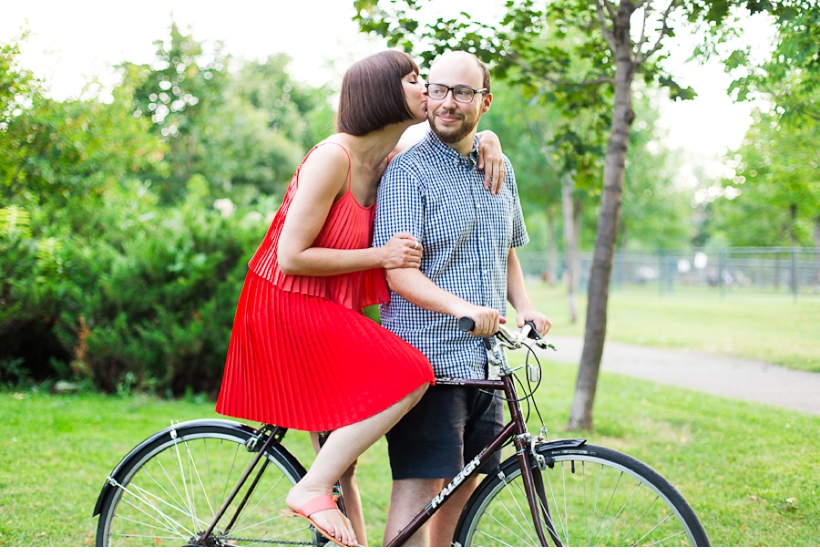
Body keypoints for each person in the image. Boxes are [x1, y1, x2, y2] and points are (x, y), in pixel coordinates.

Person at [215, 50, 507, 547]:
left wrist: (491, 140)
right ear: (383, 93)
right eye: (417, 81)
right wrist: (381, 255)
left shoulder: (389, 159)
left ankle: (342, 519)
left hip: (329, 309)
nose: (430, 91)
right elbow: (291, 258)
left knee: (344, 464)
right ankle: (310, 485)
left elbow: (456, 132)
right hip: (288, 307)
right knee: (411, 375)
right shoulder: (334, 157)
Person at [373, 51, 553, 547]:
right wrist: (463, 309)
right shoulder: (409, 173)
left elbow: (505, 248)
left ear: (485, 102)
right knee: (420, 490)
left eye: (463, 93)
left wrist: (526, 307)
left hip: (486, 360)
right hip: (428, 358)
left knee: (465, 485)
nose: (448, 103)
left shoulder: (500, 166)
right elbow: (399, 275)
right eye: (439, 90)